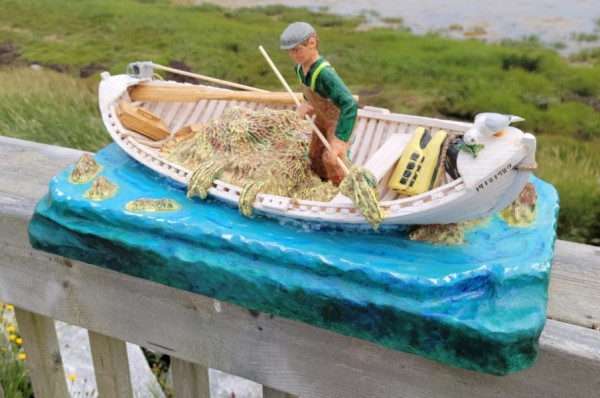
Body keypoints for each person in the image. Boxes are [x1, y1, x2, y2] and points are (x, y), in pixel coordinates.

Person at [280, 22, 358, 185]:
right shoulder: (300, 69)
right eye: (290, 51)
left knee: (332, 159)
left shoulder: (325, 74)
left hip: (338, 122)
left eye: (297, 49)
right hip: (322, 119)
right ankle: (323, 182)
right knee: (314, 155)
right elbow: (310, 91)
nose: (293, 55)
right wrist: (306, 102)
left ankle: (341, 189)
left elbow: (349, 105)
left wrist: (340, 139)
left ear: (312, 43)